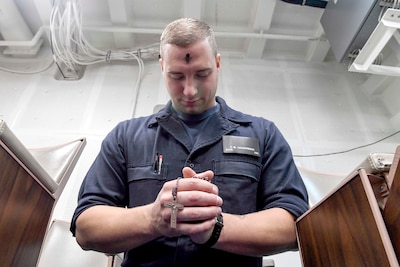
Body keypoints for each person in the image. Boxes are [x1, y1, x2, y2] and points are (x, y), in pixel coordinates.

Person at [70, 18, 309, 267]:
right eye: (176, 76)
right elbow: (87, 227)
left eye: (201, 74)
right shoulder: (126, 136)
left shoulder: (263, 134)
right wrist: (153, 219)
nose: (189, 90)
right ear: (162, 67)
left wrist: (215, 229)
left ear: (217, 64)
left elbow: (296, 225)